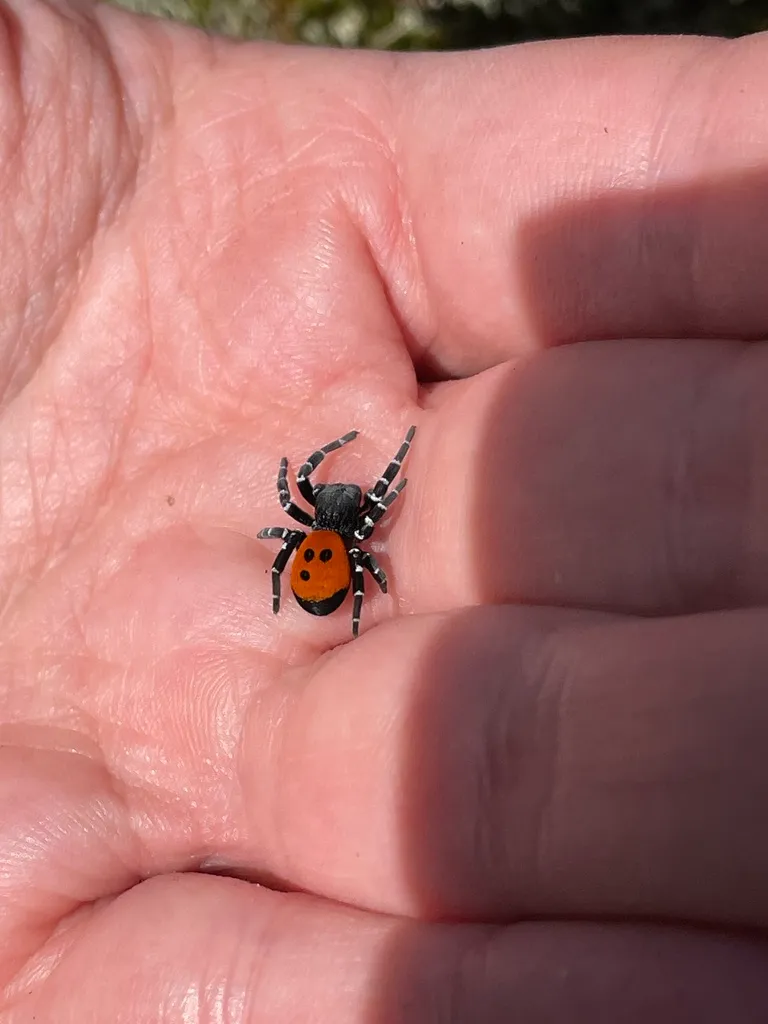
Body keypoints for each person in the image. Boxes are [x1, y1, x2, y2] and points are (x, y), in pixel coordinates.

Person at [2, 2, 768, 1019]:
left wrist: (326, 573)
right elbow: (339, 529)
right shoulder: (341, 536)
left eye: (333, 511)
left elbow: (308, 525)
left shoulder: (314, 531)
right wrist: (351, 579)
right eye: (333, 507)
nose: (333, 510)